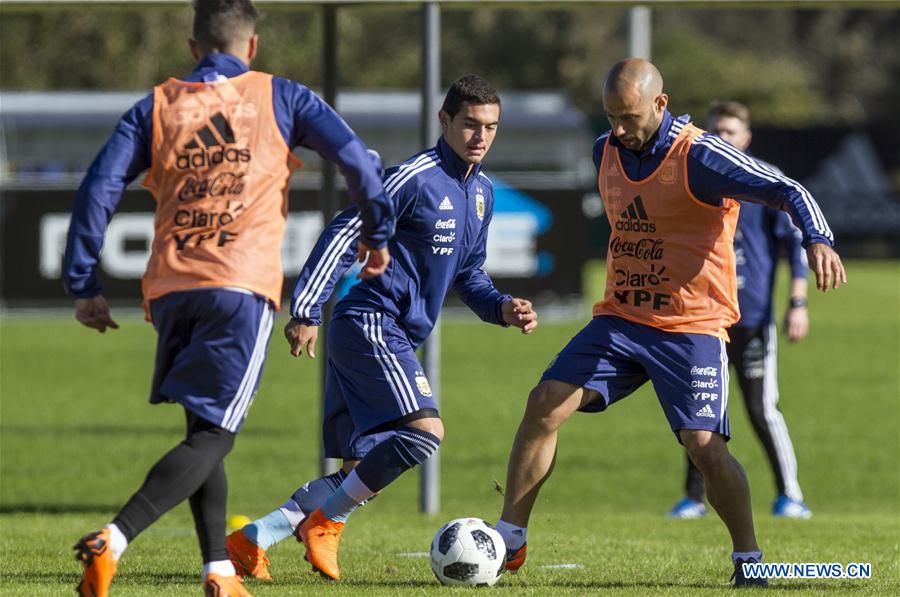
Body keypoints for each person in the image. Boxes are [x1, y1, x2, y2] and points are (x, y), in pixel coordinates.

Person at [63, 1, 393, 595]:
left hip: (169, 288)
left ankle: (217, 569)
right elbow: (356, 159)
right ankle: (112, 539)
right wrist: (377, 234)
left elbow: (99, 186)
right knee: (217, 436)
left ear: (194, 48)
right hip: (238, 286)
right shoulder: (281, 96)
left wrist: (84, 280)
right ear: (254, 46)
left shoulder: (158, 105)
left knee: (203, 427)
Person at [493, 59, 845, 589]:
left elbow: (787, 187)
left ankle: (749, 558)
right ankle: (509, 542)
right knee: (544, 403)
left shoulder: (701, 155)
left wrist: (819, 238)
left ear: (660, 104)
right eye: (610, 115)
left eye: (628, 116)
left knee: (704, 445)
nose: (617, 129)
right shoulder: (605, 149)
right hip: (621, 318)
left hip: (691, 326)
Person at [224, 75, 539, 582]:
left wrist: (502, 307)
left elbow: (469, 274)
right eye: (470, 125)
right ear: (444, 121)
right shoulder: (415, 177)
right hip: (369, 321)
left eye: (491, 127)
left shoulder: (480, 193)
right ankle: (328, 522)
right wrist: (305, 308)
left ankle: (251, 540)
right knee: (424, 434)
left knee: (360, 470)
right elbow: (347, 229)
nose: (480, 136)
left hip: (391, 332)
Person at [668, 101, 813, 521]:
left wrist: (797, 304)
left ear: (746, 138)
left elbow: (794, 247)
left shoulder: (764, 182)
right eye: (715, 131)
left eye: (730, 132)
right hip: (704, 318)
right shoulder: (694, 176)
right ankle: (693, 499)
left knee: (760, 409)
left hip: (751, 318)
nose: (722, 138)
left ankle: (791, 494)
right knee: (700, 412)